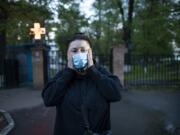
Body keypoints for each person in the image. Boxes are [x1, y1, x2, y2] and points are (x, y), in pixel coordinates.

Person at [42, 33, 122, 135]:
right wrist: (68, 73)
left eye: (83, 50)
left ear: (90, 53)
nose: (79, 53)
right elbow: (48, 99)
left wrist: (92, 71)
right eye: (74, 51)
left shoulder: (101, 72)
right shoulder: (62, 76)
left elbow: (116, 94)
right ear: (68, 54)